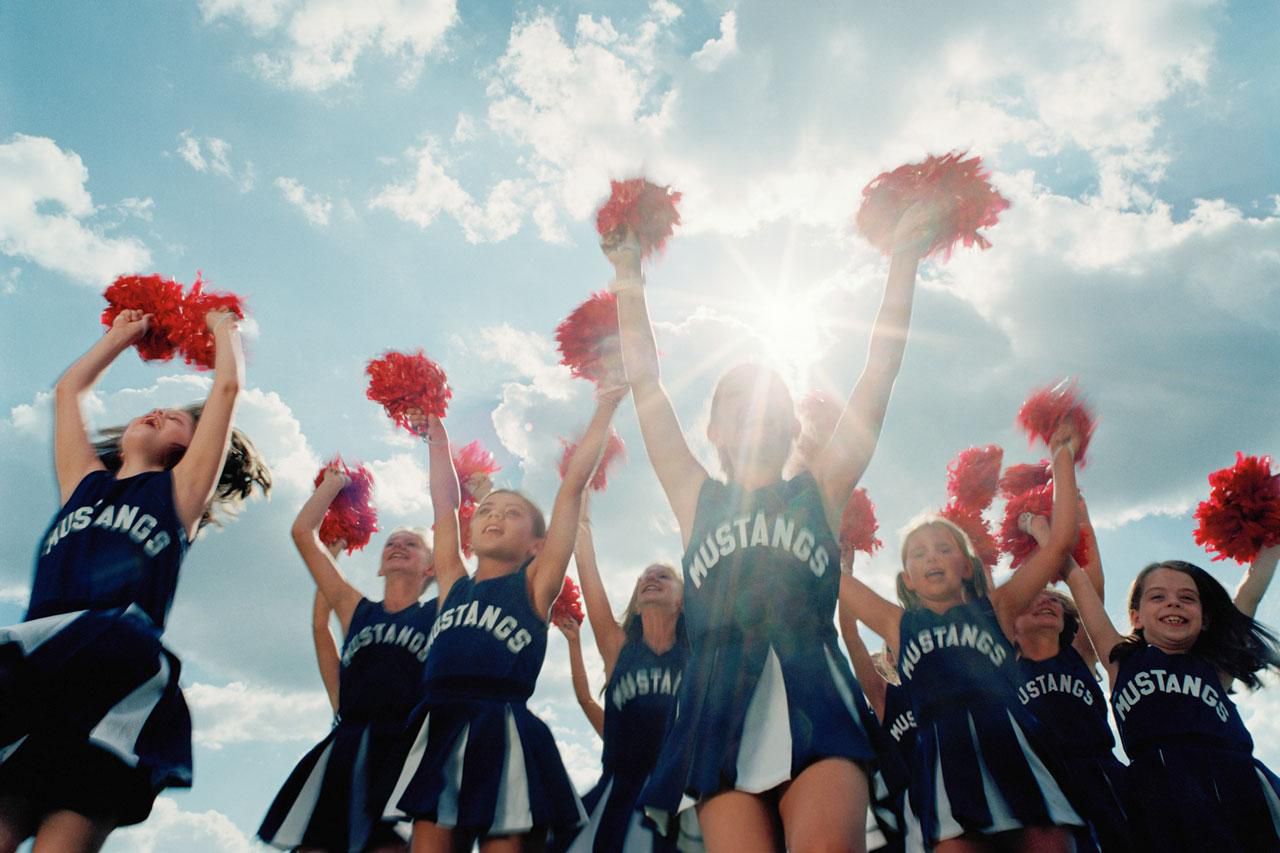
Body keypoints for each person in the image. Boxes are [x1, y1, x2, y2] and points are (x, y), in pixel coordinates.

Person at [608, 201, 938, 852]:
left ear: (792, 425)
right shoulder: (694, 493)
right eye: (736, 405)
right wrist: (627, 269)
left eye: (770, 403)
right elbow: (646, 383)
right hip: (717, 696)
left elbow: (879, 372)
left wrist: (903, 257)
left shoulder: (819, 490)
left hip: (811, 676)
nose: (755, 415)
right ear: (715, 430)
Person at [0, 307, 270, 852]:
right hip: (38, 662)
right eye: (158, 409)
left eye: (177, 420)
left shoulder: (178, 496)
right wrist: (120, 337)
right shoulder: (82, 483)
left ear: (190, 451)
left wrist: (223, 330)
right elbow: (68, 393)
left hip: (114, 670)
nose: (160, 411)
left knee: (62, 842)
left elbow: (227, 389)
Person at [386, 389, 624, 852]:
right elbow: (443, 506)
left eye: (512, 513)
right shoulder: (454, 581)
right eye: (488, 511)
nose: (494, 515)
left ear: (536, 543)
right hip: (441, 723)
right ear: (473, 531)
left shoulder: (535, 585)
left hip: (505, 728)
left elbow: (572, 486)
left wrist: (606, 405)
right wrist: (436, 435)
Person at [840, 427, 1085, 852]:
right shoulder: (897, 623)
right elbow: (831, 578)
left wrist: (1061, 455)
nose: (931, 556)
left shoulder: (1000, 607)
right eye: (918, 553)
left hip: (1011, 740)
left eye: (943, 548)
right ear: (908, 580)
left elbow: (1060, 541)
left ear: (967, 566)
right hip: (941, 756)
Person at [258, 472, 439, 852]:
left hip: (404, 751)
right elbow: (302, 534)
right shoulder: (356, 607)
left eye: (413, 544)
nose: (399, 546)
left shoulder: (439, 615)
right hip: (347, 746)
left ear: (432, 568)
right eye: (391, 542)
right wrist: (335, 485)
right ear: (378, 565)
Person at [1065, 543, 1280, 852]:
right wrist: (1044, 530)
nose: (1173, 604)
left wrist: (1272, 538)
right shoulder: (1120, 660)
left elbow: (1251, 592)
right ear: (1136, 617)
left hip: (1236, 785)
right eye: (1158, 597)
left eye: (1187, 598)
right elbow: (1077, 579)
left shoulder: (1215, 668)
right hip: (1157, 791)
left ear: (1205, 620)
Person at [558, 500, 688, 852]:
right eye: (645, 576)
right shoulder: (618, 648)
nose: (650, 578)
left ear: (682, 601)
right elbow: (587, 568)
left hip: (683, 794)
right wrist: (581, 508)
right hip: (619, 793)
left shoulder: (697, 656)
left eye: (664, 576)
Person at [1014, 510, 1129, 851]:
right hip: (1039, 784)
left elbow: (1090, 587)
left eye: (1053, 599)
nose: (1046, 599)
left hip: (1101, 775)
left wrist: (1081, 520)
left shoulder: (1079, 653)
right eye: (1033, 596)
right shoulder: (1003, 668)